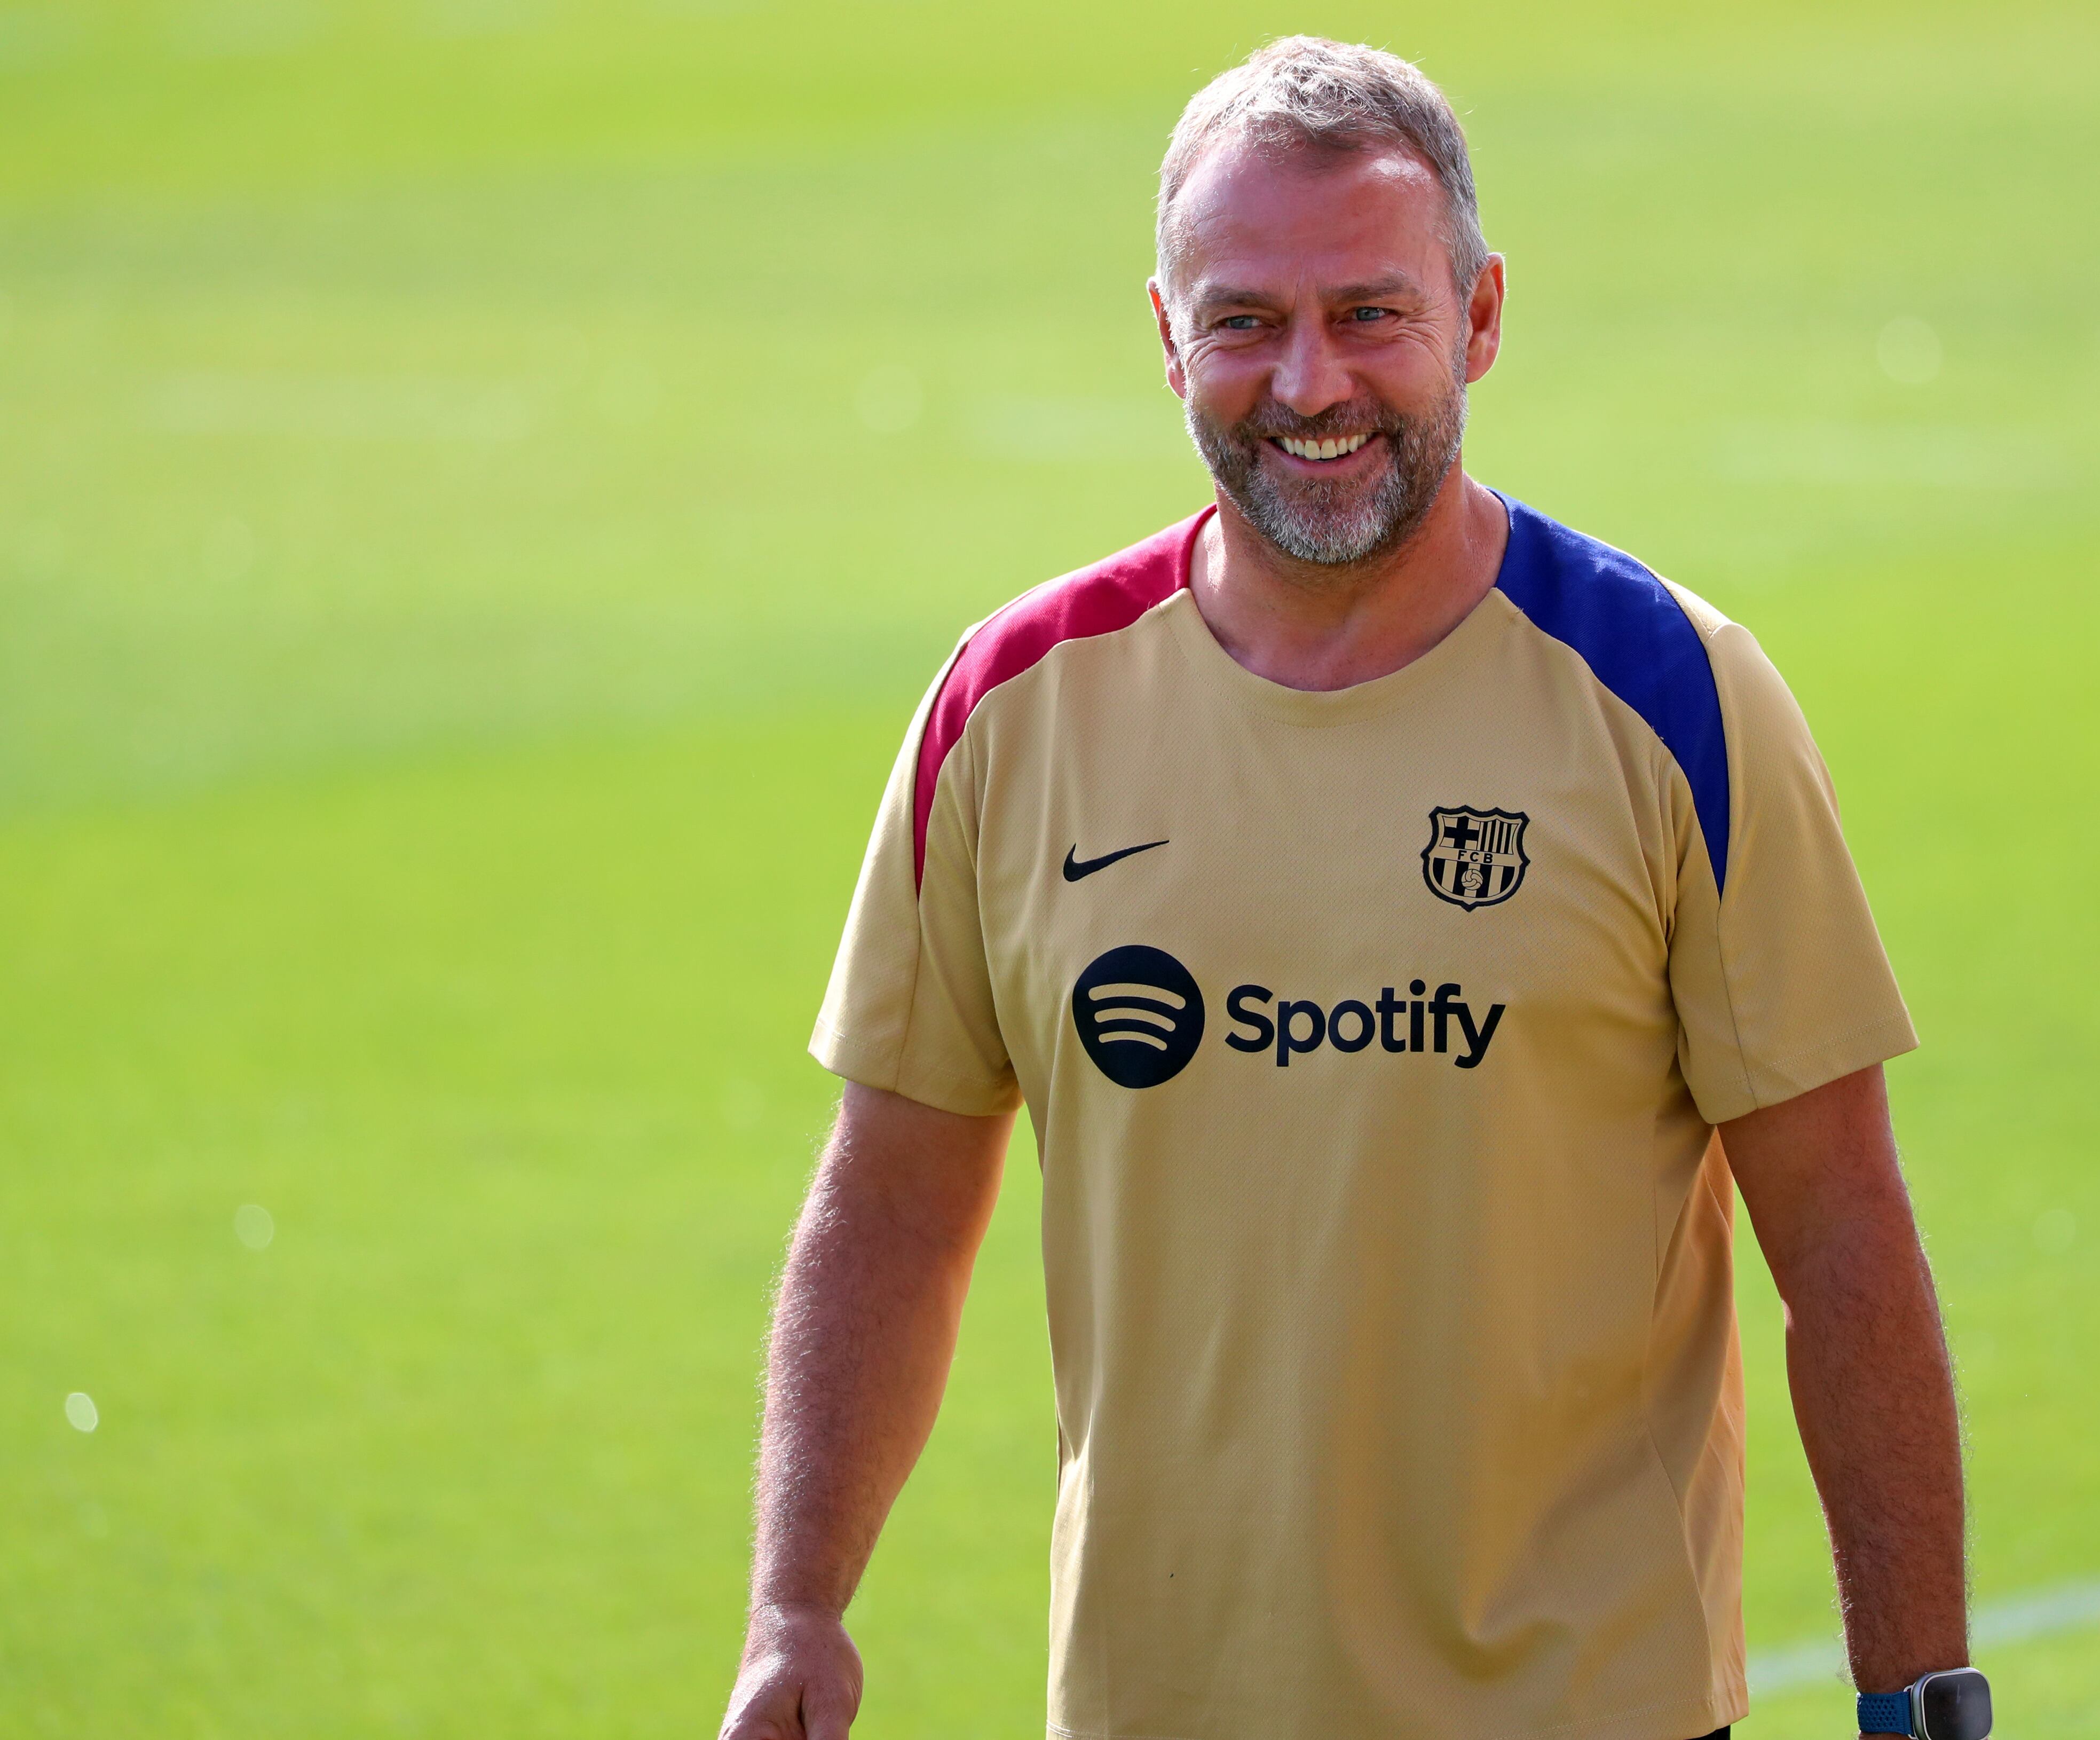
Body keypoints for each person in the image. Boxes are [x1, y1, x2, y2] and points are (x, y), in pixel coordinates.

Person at [719, 36, 1979, 1740]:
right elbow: (891, 1196)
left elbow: (1837, 1228)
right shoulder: (1012, 708)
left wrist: (1919, 1698)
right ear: (1166, 337)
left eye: (1369, 314)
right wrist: (797, 1604)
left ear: (1479, 318)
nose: (1309, 381)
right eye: (1245, 320)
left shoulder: (1672, 694)